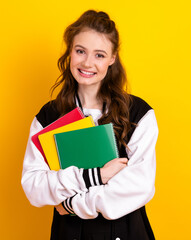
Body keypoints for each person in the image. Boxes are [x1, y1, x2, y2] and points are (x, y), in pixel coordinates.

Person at [21, 10, 158, 240]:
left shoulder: (138, 113)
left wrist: (74, 204)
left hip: (126, 233)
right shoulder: (48, 116)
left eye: (99, 55)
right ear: (70, 52)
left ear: (112, 58)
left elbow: (139, 187)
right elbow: (34, 187)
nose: (87, 63)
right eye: (80, 51)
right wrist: (96, 176)